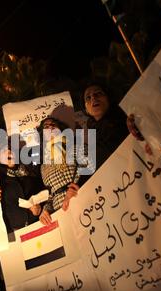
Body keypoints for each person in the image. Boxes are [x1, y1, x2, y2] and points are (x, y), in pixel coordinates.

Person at [61, 82, 145, 211]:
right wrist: (75, 190)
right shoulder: (92, 135)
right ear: (86, 108)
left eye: (98, 94)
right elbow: (91, 167)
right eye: (88, 97)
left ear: (108, 97)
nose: (93, 98)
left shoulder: (127, 117)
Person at [37, 113, 93, 226]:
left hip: (84, 203)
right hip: (61, 216)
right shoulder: (43, 166)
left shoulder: (77, 148)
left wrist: (78, 188)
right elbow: (51, 195)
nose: (50, 127)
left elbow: (91, 171)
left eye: (53, 124)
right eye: (46, 127)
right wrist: (46, 210)